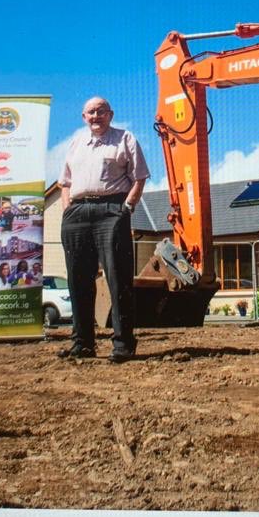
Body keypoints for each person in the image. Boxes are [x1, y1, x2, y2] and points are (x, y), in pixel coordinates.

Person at [59, 96, 149, 362]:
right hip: (77, 214)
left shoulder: (125, 139)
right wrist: (67, 209)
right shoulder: (76, 143)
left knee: (117, 279)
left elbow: (140, 176)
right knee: (78, 280)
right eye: (90, 112)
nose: (95, 116)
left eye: (101, 111)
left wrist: (127, 208)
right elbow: (64, 182)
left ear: (110, 114)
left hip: (112, 211)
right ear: (83, 117)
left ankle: (123, 344)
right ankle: (82, 344)